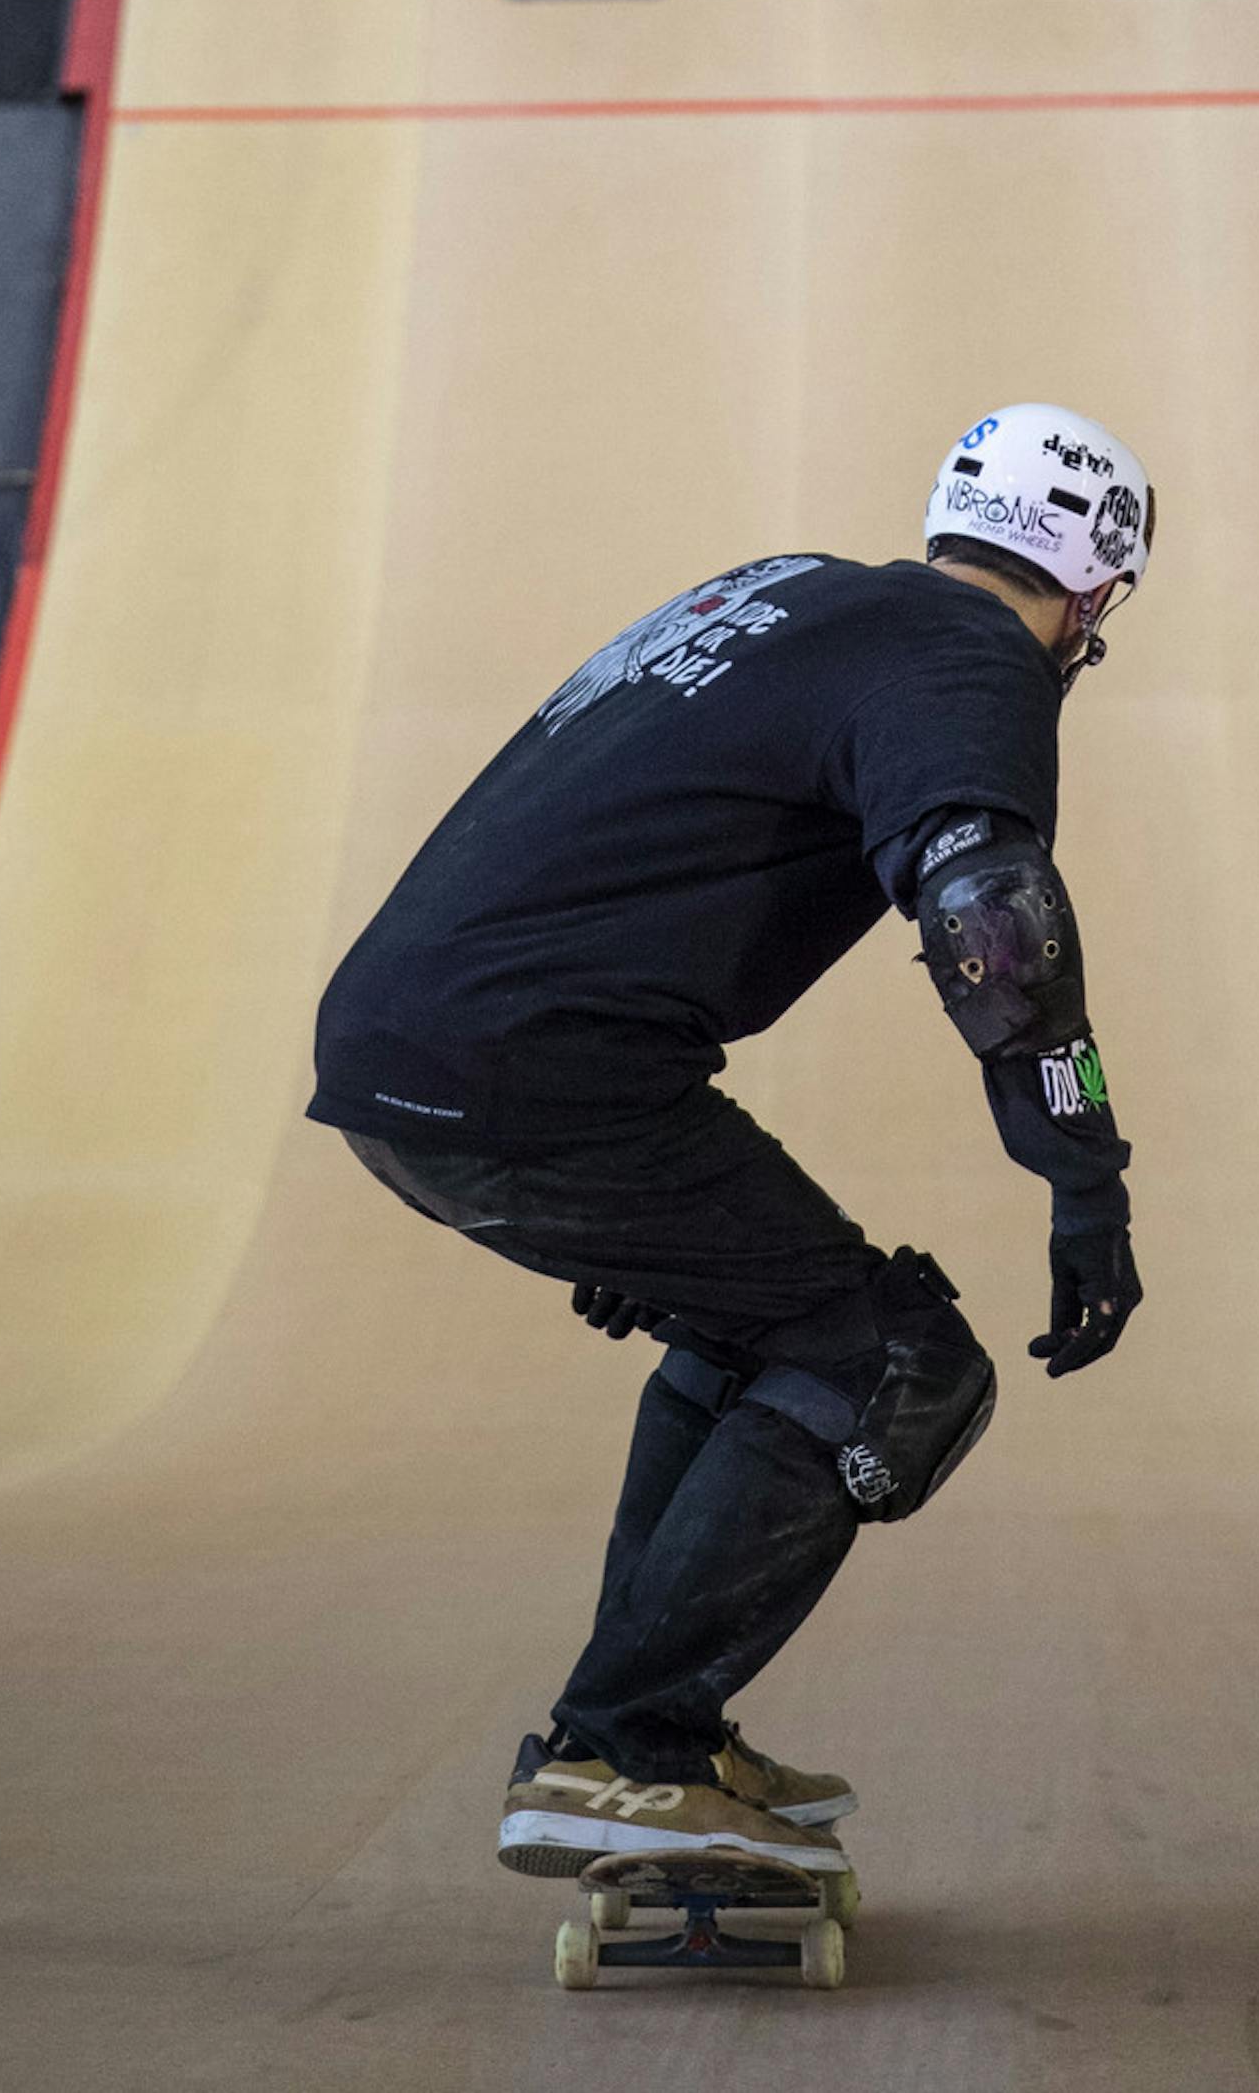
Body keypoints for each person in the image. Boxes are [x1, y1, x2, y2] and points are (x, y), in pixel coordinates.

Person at [308, 399, 1154, 1874]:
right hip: (537, 1067)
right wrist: (1085, 1181)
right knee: (897, 1362)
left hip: (418, 1035)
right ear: (1094, 597)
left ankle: (649, 1736)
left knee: (764, 1323)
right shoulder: (971, 659)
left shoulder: (784, 591)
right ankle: (622, 1748)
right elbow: (993, 919)